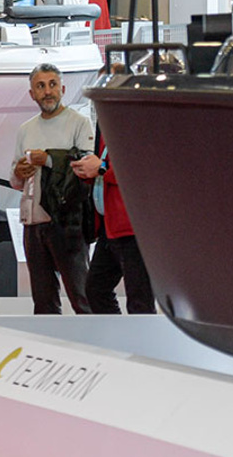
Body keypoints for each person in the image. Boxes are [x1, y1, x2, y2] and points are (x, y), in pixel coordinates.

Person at [11, 63, 95, 314]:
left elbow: (86, 169)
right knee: (43, 300)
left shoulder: (80, 123)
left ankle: (93, 348)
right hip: (33, 222)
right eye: (40, 86)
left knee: (81, 296)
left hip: (68, 222)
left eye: (52, 85)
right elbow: (16, 180)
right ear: (31, 94)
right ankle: (48, 350)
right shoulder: (25, 129)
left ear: (63, 89)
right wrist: (19, 172)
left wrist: (46, 159)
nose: (47, 91)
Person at [72, 129, 155, 314]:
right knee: (96, 290)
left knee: (139, 300)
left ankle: (136, 341)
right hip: (110, 224)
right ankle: (117, 338)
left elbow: (145, 170)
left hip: (134, 226)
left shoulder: (141, 122)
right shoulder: (107, 125)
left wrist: (101, 168)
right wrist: (89, 170)